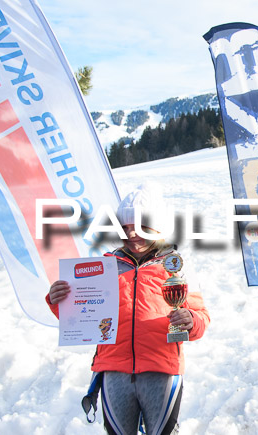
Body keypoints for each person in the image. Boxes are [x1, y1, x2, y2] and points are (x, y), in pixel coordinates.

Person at [46, 184, 210, 435]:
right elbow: (81, 318)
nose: (132, 233)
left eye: (142, 225)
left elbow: (201, 318)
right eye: (125, 227)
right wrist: (60, 301)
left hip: (161, 369)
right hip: (114, 371)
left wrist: (191, 320)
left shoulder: (176, 267)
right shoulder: (104, 266)